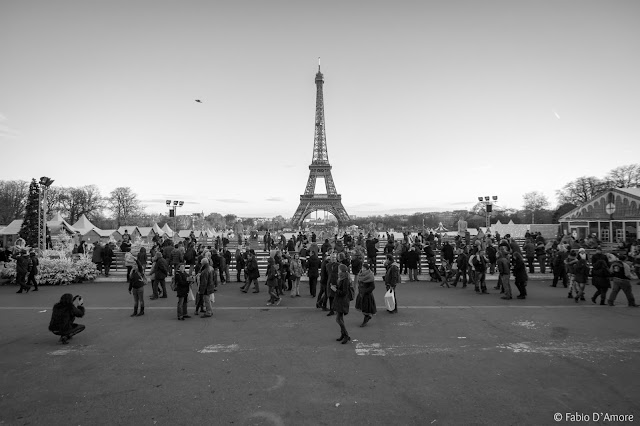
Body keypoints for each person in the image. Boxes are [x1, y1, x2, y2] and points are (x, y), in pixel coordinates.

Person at [333, 264, 352, 344]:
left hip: (342, 301)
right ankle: (343, 334)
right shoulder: (342, 278)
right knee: (340, 318)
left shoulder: (345, 280)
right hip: (340, 300)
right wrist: (336, 288)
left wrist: (335, 290)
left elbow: (344, 292)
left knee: (338, 319)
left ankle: (346, 335)